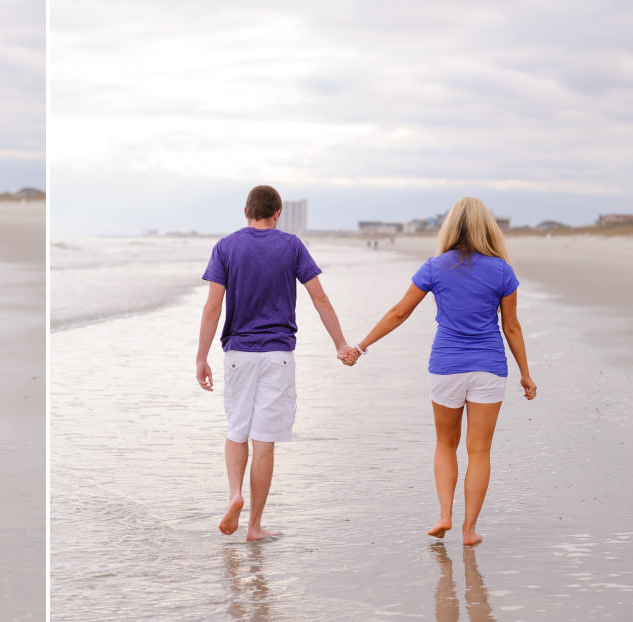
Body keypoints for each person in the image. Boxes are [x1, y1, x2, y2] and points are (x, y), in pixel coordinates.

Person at [349, 196, 537, 546]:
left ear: (450, 226)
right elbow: (511, 327)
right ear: (487, 228)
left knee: (445, 444)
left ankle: (444, 514)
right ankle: (468, 531)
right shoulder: (501, 270)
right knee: (478, 450)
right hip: (489, 368)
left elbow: (398, 313)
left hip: (447, 367)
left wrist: (361, 347)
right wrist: (526, 374)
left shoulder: (434, 267)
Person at [196, 184, 355, 542]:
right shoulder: (291, 246)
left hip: (238, 353)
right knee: (264, 440)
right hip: (278, 355)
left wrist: (201, 356)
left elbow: (212, 306)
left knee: (237, 429)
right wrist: (340, 343)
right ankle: (254, 526)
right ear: (277, 213)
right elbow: (320, 298)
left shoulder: (226, 246)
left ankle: (234, 493)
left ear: (246, 211)